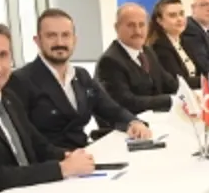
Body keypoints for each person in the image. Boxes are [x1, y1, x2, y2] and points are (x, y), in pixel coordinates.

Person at [0, 21, 96, 191]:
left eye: (3, 55)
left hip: (30, 191)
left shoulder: (8, 95)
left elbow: (38, 146)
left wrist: (68, 156)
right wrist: (62, 168)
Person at [10, 8, 152, 149]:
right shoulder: (21, 80)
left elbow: (111, 109)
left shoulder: (81, 76)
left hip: (85, 153)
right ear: (38, 41)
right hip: (53, 160)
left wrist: (133, 122)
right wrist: (64, 157)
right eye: (51, 36)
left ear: (74, 40)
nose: (60, 42)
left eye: (66, 35)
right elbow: (26, 138)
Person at [95, 3, 180, 114]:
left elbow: (168, 82)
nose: (138, 31)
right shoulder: (109, 61)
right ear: (116, 28)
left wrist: (190, 94)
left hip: (157, 117)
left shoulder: (147, 52)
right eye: (131, 25)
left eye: (142, 25)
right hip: (130, 122)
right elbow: (128, 102)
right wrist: (170, 100)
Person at [148, 0, 209, 90]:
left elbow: (200, 70)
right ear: (160, 21)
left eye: (181, 14)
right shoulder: (159, 46)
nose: (179, 19)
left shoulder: (185, 41)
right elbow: (178, 82)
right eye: (172, 15)